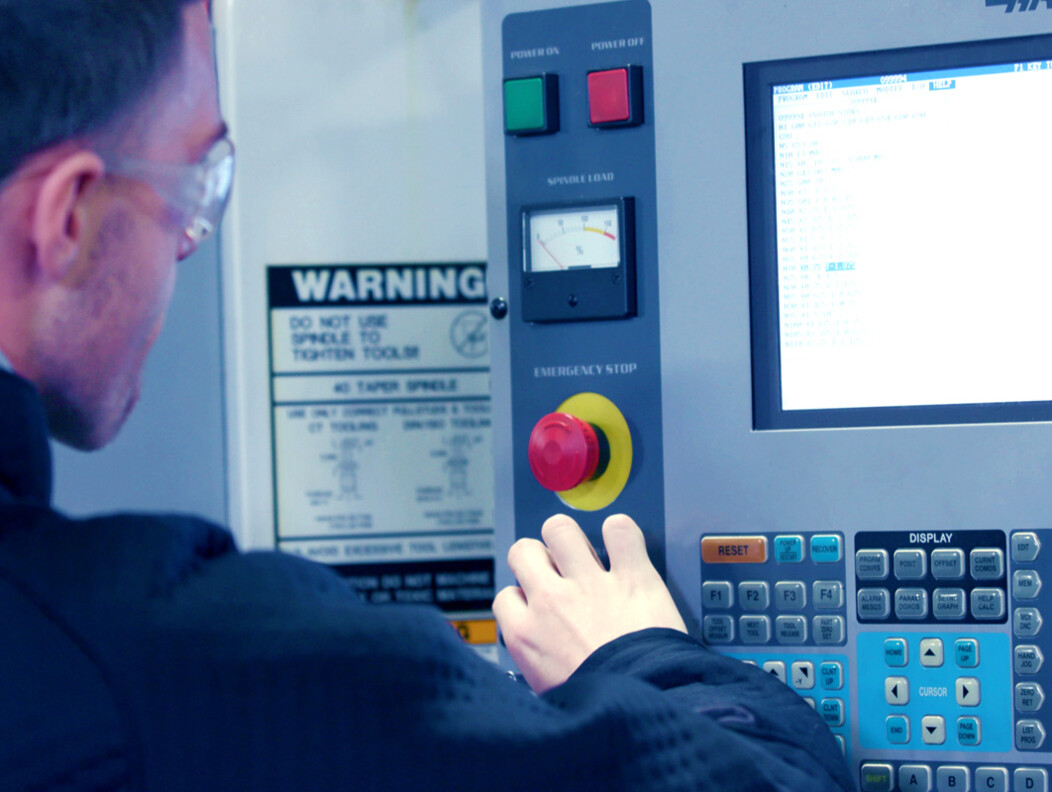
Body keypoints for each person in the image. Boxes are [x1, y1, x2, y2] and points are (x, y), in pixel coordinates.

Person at [0, 1, 854, 790]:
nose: (186, 248)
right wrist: (641, 655)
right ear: (68, 217)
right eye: (193, 189)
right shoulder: (156, 664)